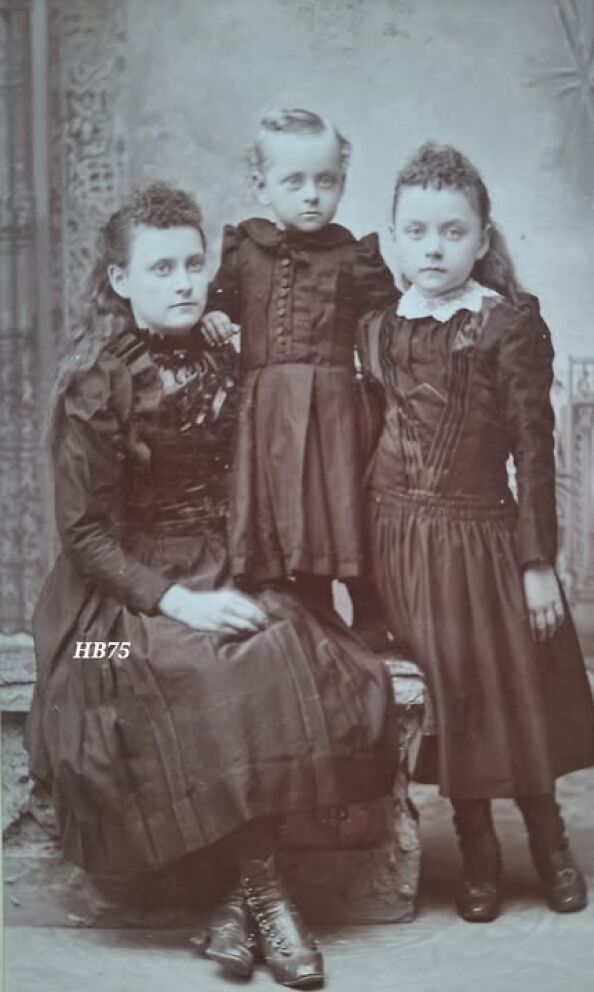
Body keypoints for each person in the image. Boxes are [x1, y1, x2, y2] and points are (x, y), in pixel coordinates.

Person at [25, 182, 398, 989]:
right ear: (121, 280)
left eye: (195, 263)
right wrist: (179, 600)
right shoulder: (98, 380)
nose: (186, 282)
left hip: (223, 558)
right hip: (106, 610)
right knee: (189, 660)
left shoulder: (227, 354)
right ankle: (267, 896)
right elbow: (84, 537)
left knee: (292, 649)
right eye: (162, 268)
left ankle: (240, 906)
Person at [358, 143, 594, 924]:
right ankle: (477, 852)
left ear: (482, 235)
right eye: (418, 231)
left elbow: (536, 446)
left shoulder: (507, 327)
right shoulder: (378, 328)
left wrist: (539, 563)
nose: (434, 248)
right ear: (394, 238)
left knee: (514, 697)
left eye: (453, 231)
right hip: (400, 540)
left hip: (485, 541)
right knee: (454, 700)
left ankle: (549, 841)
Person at [203, 108, 399, 639]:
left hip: (334, 410)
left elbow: (389, 321)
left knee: (339, 506)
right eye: (295, 181)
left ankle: (369, 610)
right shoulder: (245, 249)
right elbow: (218, 304)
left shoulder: (354, 256)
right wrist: (217, 316)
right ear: (261, 186)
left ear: (341, 182)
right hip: (265, 412)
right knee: (277, 507)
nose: (312, 194)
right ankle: (301, 605)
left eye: (326, 181)